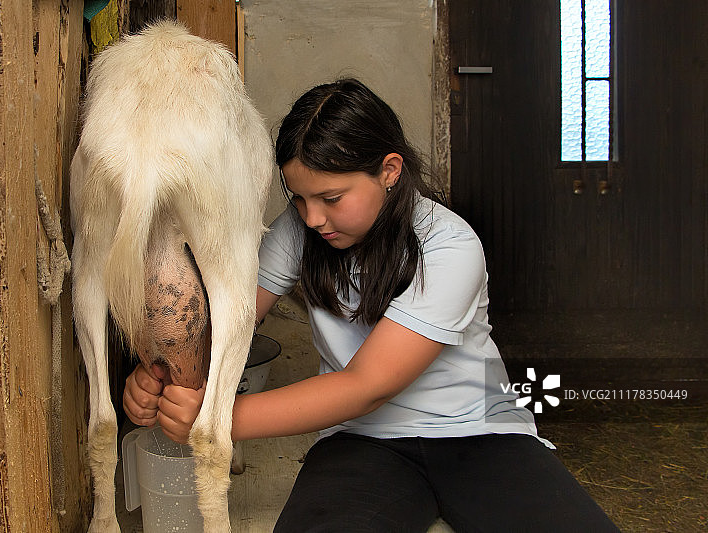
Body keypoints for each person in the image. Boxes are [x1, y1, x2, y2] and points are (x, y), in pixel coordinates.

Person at [123, 78, 619, 532]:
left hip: (481, 434)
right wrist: (169, 375)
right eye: (298, 198)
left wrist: (215, 419)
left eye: (331, 198)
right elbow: (232, 324)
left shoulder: (448, 244)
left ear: (389, 171)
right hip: (361, 442)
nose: (312, 217)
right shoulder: (299, 232)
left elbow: (366, 386)